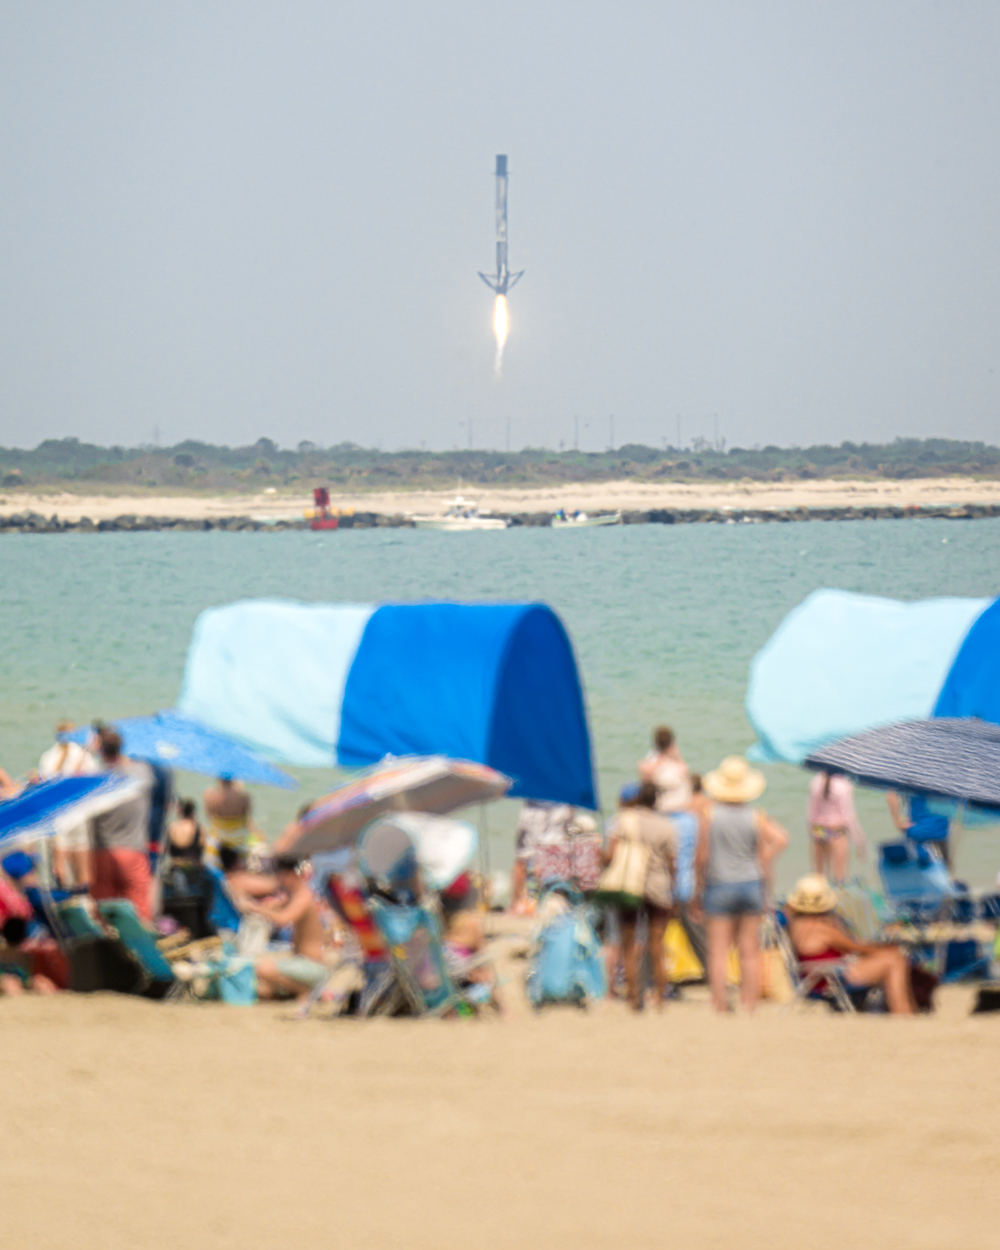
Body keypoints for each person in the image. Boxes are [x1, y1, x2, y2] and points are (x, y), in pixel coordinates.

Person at [693, 755, 788, 1013]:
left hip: (719, 884)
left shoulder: (709, 816)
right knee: (749, 950)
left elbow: (701, 857)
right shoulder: (756, 816)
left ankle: (720, 1002)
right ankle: (749, 1002)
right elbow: (781, 838)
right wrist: (763, 860)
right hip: (750, 884)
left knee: (718, 950)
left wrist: (698, 890)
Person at [785, 874, 916, 1014]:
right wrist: (885, 948)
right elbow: (856, 948)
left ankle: (905, 1010)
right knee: (894, 960)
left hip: (816, 976)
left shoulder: (796, 926)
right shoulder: (822, 929)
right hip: (830, 978)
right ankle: (902, 1010)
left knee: (893, 956)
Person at [603, 780, 677, 1011]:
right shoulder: (667, 825)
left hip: (630, 885)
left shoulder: (622, 821)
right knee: (657, 943)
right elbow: (672, 863)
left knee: (628, 941)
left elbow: (611, 856)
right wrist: (672, 890)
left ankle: (634, 996)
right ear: (656, 800)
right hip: (658, 886)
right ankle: (661, 996)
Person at [89, 729, 155, 922]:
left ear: (100, 749)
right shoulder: (142, 773)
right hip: (132, 850)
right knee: (138, 908)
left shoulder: (95, 779)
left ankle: (106, 938)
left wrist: (90, 751)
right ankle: (138, 939)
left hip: (102, 852)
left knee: (103, 910)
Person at [251, 857, 329, 999]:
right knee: (263, 990)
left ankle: (308, 991)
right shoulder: (297, 896)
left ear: (290, 875)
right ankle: (302, 990)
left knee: (262, 969)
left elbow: (283, 919)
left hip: (312, 966)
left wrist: (256, 908)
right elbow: (278, 909)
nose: (279, 881)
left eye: (281, 876)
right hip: (303, 963)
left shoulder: (304, 896)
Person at [37, 721, 99, 888]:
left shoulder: (47, 757)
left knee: (60, 860)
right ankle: (83, 893)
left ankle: (63, 893)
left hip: (58, 814)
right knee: (82, 861)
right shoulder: (83, 755)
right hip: (79, 813)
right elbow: (94, 785)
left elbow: (44, 787)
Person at [807, 771, 867, 884]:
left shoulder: (815, 781)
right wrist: (860, 841)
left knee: (819, 877)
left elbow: (811, 814)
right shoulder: (843, 784)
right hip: (836, 830)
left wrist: (811, 832)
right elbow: (848, 816)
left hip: (819, 829)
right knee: (840, 877)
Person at [202, 774, 260, 867]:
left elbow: (209, 817)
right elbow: (247, 819)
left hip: (216, 843)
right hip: (238, 842)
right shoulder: (244, 796)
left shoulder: (210, 795)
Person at [887, 791, 952, 870]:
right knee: (943, 865)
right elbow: (892, 795)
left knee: (922, 865)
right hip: (936, 830)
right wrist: (898, 822)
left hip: (924, 831)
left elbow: (892, 794)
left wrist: (898, 822)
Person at [638, 725, 692, 813]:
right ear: (672, 743)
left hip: (655, 808)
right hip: (677, 809)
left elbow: (643, 772)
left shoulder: (649, 761)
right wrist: (678, 757)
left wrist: (661, 756)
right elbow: (686, 773)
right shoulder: (678, 766)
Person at [0, 917, 58, 996]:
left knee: (40, 981)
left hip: (19, 981)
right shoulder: (27, 954)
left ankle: (53, 999)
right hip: (8, 980)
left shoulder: (26, 954)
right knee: (11, 983)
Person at [166, 798, 204, 863]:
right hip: (193, 865)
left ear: (180, 812)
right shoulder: (198, 828)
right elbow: (202, 846)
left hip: (175, 865)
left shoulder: (172, 827)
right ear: (192, 813)